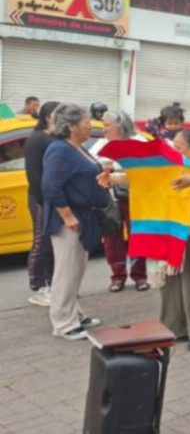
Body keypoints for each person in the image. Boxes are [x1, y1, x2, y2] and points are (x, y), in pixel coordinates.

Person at [99, 130, 190, 351]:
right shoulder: (167, 166)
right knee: (170, 281)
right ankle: (174, 328)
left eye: (178, 146)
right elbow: (138, 177)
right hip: (169, 229)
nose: (172, 150)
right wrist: (112, 179)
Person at [42, 104, 109, 340]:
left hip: (84, 216)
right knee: (66, 271)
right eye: (86, 121)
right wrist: (67, 216)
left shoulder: (77, 148)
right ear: (71, 127)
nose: (91, 124)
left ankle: (75, 315)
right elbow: (51, 187)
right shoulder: (59, 150)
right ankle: (62, 323)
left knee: (76, 269)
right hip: (68, 221)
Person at [91, 110, 149, 292]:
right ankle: (117, 276)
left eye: (107, 126)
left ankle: (140, 276)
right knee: (111, 238)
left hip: (136, 197)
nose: (104, 130)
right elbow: (94, 166)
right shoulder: (100, 144)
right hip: (111, 199)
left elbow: (144, 167)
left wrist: (114, 166)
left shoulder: (139, 141)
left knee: (138, 237)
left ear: (120, 126)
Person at [24, 100, 60, 307]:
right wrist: (43, 200)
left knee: (54, 243)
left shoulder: (56, 138)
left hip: (55, 197)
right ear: (48, 117)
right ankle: (38, 287)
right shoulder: (36, 140)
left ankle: (54, 284)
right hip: (41, 198)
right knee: (41, 242)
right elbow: (34, 174)